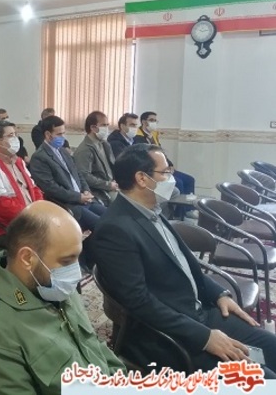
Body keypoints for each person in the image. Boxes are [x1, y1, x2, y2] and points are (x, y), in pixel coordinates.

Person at [92, 144, 276, 375]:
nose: (172, 178)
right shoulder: (115, 229)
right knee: (262, 379)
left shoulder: (151, 210)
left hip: (197, 313)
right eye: (165, 172)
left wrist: (219, 294)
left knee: (271, 346)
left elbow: (186, 264)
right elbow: (138, 302)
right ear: (142, 178)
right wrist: (204, 337)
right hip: (166, 335)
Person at [0, 201, 125, 394]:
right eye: (67, 261)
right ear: (27, 258)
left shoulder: (51, 285)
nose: (76, 273)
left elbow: (93, 347)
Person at [29, 116, 106, 232]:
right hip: (68, 205)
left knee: (110, 217)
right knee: (102, 226)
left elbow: (78, 173)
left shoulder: (63, 151)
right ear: (48, 135)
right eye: (59, 134)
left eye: (63, 133)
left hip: (83, 199)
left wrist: (86, 190)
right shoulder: (39, 157)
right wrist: (78, 197)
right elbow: (51, 188)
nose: (63, 138)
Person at [0, 120, 43, 242]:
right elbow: (1, 205)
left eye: (16, 134)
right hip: (7, 228)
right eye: (11, 135)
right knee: (50, 241)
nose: (16, 139)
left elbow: (34, 188)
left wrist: (41, 210)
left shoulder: (18, 161)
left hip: (30, 220)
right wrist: (32, 216)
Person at [135, 111, 197, 218]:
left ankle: (188, 210)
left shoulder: (154, 134)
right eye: (151, 120)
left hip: (164, 168)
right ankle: (178, 215)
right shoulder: (138, 137)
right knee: (179, 183)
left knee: (189, 179)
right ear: (144, 122)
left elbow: (161, 152)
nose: (154, 122)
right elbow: (147, 158)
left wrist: (170, 164)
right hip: (154, 170)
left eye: (155, 120)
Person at [73, 111, 118, 206]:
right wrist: (108, 185)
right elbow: (85, 176)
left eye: (107, 125)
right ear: (93, 128)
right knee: (124, 206)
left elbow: (112, 166)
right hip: (99, 192)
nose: (107, 128)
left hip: (111, 186)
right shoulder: (85, 150)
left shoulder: (104, 144)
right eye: (104, 125)